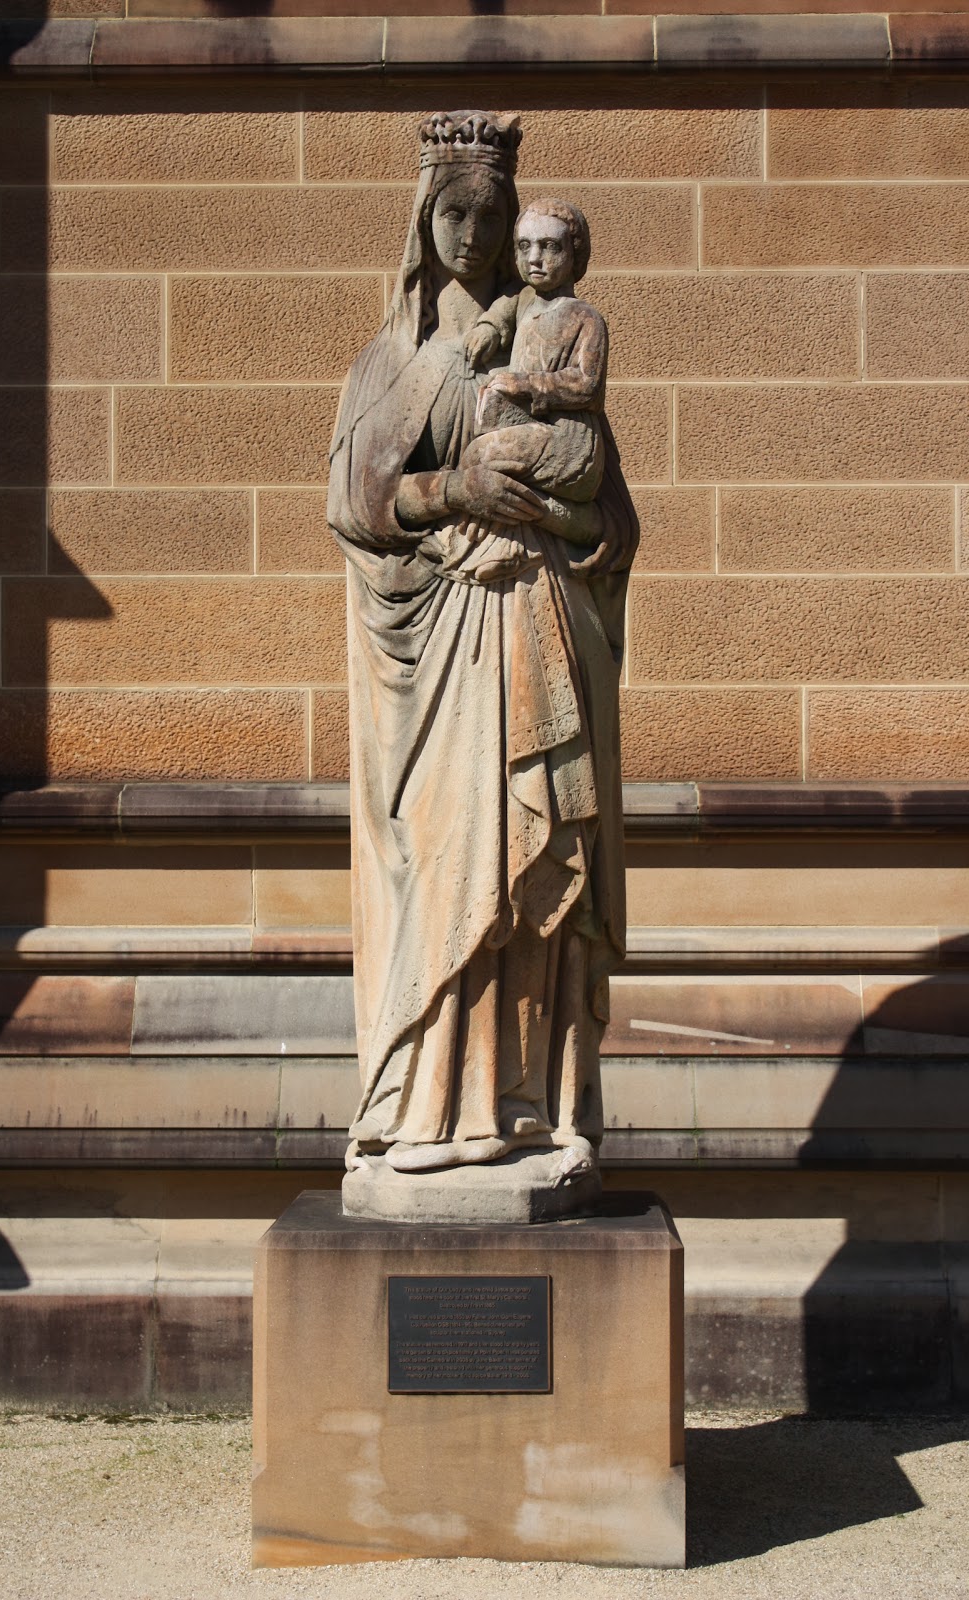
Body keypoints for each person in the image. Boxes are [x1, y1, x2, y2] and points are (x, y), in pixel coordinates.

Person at [327, 110, 638, 1177]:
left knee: (533, 851)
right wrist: (454, 485)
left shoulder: (550, 337)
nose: (471, 232)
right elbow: (359, 498)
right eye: (452, 212)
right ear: (425, 222)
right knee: (457, 853)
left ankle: (521, 1107)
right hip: (444, 646)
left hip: (536, 621)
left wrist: (551, 519)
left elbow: (609, 517)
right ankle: (426, 1106)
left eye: (490, 214)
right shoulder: (395, 355)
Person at [430, 196, 608, 584]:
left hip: (570, 440)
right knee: (481, 448)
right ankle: (493, 539)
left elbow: (588, 386)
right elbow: (504, 309)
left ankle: (504, 546)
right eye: (525, 246)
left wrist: (527, 384)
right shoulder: (525, 299)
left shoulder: (584, 317)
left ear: (574, 254)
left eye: (549, 246)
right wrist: (488, 328)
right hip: (529, 426)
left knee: (482, 454)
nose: (535, 258)